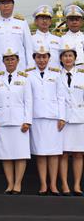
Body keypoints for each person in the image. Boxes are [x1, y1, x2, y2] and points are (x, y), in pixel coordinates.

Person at [0, 47, 32, 194]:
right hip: (2, 122)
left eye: (13, 59)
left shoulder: (24, 79)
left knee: (20, 154)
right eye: (7, 59)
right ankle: (10, 183)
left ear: (18, 60)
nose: (10, 62)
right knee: (5, 154)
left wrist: (28, 120)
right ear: (3, 61)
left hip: (20, 122)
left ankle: (18, 184)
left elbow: (29, 101)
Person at [26, 45, 65, 196]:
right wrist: (28, 119)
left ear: (49, 58)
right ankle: (43, 184)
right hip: (36, 117)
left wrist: (62, 117)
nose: (41, 60)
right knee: (41, 153)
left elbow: (61, 97)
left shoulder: (56, 74)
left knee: (54, 153)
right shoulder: (28, 75)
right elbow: (28, 99)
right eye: (38, 57)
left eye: (44, 57)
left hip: (53, 117)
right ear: (34, 58)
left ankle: (54, 185)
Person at [0, 0, 34, 78]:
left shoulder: (22, 23)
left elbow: (29, 48)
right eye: (3, 3)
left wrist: (30, 70)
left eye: (8, 3)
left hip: (20, 69)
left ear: (13, 5)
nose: (6, 6)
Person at [58, 42, 84, 196]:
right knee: (63, 154)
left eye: (70, 56)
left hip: (80, 118)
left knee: (79, 154)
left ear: (75, 58)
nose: (68, 59)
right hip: (63, 120)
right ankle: (65, 185)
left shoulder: (82, 74)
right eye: (65, 56)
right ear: (61, 59)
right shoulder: (55, 75)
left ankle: (77, 185)